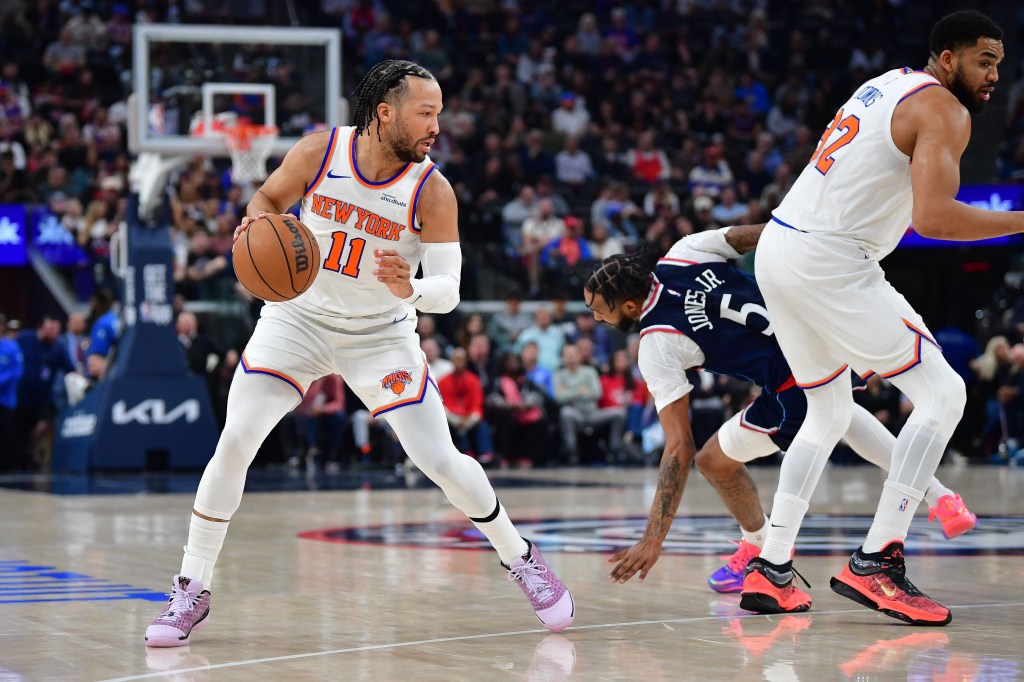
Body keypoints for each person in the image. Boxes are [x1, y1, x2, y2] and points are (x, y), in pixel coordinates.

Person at [145, 60, 573, 648]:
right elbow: (265, 198)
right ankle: (191, 587)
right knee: (236, 440)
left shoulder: (432, 190)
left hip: (380, 334)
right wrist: (256, 232)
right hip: (298, 319)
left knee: (440, 460)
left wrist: (411, 288)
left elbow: (448, 289)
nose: (436, 127)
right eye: (426, 113)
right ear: (385, 112)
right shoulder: (320, 152)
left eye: (439, 114)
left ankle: (520, 557)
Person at [746, 10, 1012, 625]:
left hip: (780, 248)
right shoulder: (945, 109)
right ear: (948, 59)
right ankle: (877, 561)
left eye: (1000, 62)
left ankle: (771, 567)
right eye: (984, 60)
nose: (995, 74)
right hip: (831, 259)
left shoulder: (886, 82)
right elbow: (934, 220)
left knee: (828, 412)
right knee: (944, 393)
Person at [582, 226, 976, 594]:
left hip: (795, 384)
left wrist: (653, 538)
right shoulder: (685, 253)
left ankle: (767, 554)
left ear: (629, 305)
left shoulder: (656, 344)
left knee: (725, 457)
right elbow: (769, 232)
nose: (595, 317)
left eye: (598, 309)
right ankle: (941, 498)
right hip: (823, 331)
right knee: (835, 417)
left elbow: (679, 446)